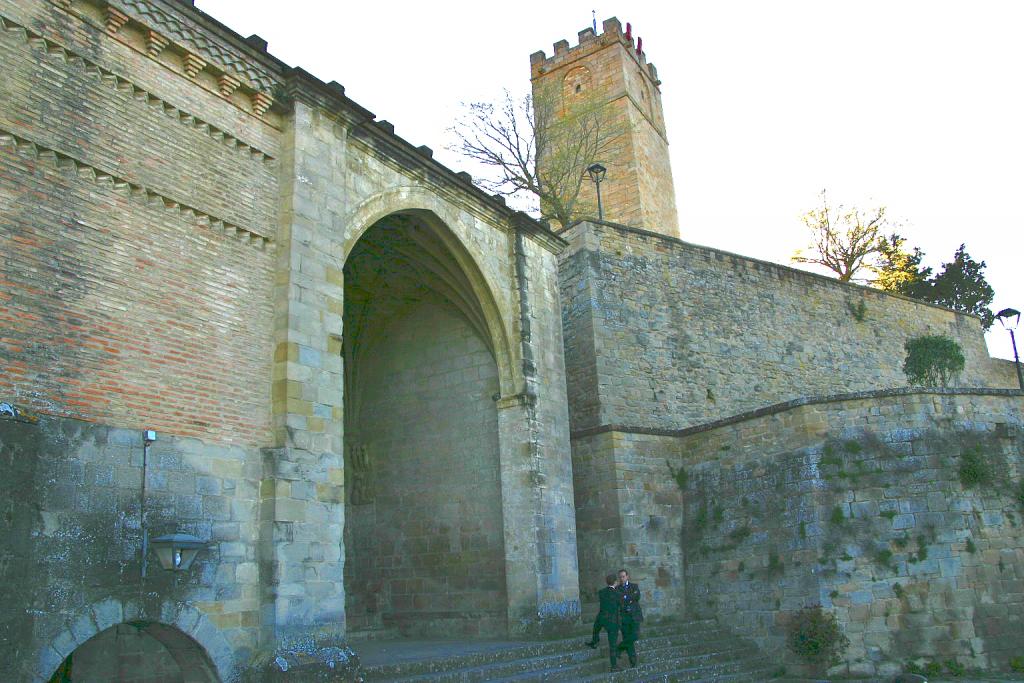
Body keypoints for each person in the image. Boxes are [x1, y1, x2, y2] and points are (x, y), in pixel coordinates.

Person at [584, 573, 621, 671]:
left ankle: (595, 641)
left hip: (602, 617)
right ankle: (614, 666)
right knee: (612, 644)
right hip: (612, 620)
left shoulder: (601, 592)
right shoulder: (617, 594)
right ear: (615, 582)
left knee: (596, 629)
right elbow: (619, 606)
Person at [615, 568, 643, 668]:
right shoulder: (617, 589)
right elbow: (620, 600)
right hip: (624, 617)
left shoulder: (634, 586)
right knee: (628, 639)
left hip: (635, 616)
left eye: (623, 576)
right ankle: (633, 661)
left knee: (635, 636)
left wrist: (626, 597)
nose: (622, 578)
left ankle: (618, 648)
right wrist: (628, 598)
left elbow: (637, 596)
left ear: (627, 576)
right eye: (620, 577)